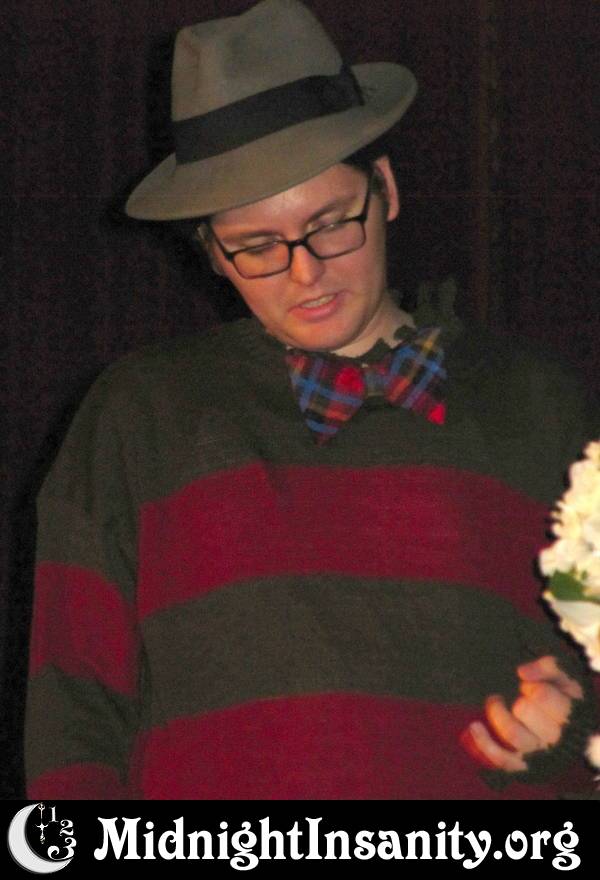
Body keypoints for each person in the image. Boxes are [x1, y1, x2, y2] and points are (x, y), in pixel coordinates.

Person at [26, 0, 597, 799]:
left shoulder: (541, 405)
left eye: (330, 224)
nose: (305, 272)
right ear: (211, 254)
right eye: (257, 246)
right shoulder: (140, 415)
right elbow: (73, 713)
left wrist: (578, 723)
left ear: (385, 189)